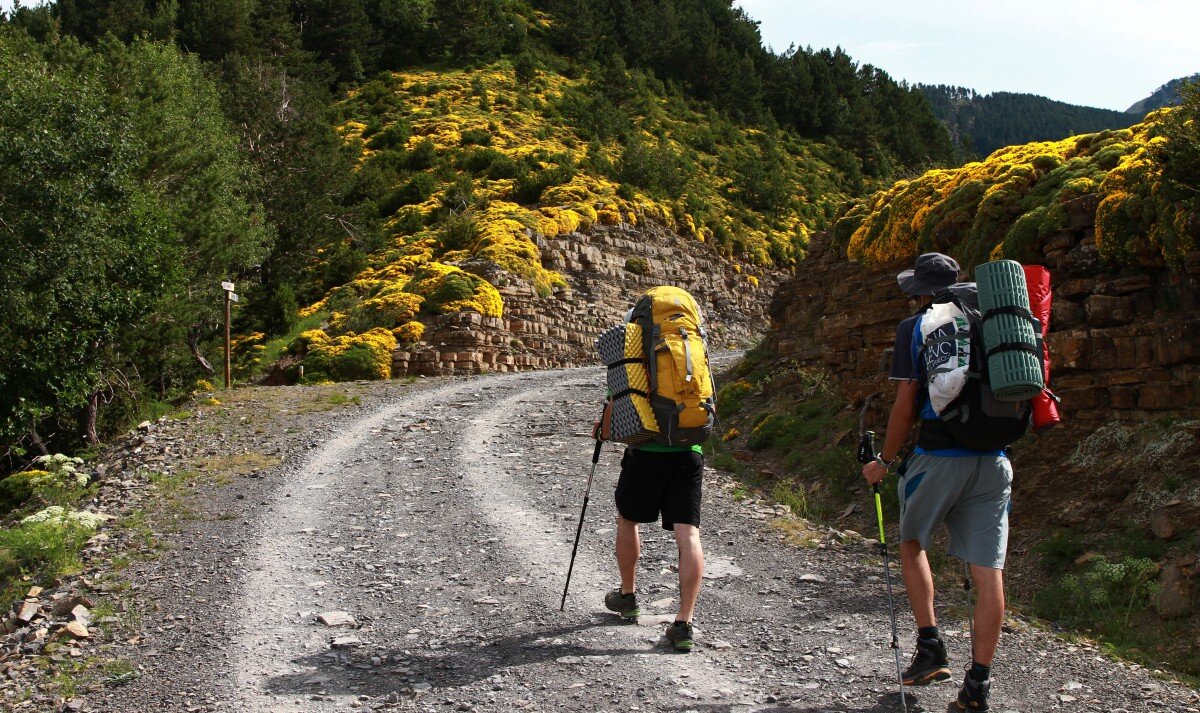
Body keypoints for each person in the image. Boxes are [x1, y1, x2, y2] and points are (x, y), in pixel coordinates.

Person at [861, 252, 1012, 712]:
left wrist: (884, 461)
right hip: (995, 460)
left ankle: (930, 649)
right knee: (989, 574)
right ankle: (977, 687)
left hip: (939, 456)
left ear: (922, 291)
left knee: (912, 543)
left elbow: (905, 405)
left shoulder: (918, 326)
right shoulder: (995, 321)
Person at [594, 311, 706, 653]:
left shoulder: (635, 352)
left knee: (628, 519)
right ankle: (683, 622)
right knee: (688, 533)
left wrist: (603, 429)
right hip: (690, 450)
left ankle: (627, 597)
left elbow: (618, 400)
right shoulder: (692, 343)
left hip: (646, 452)